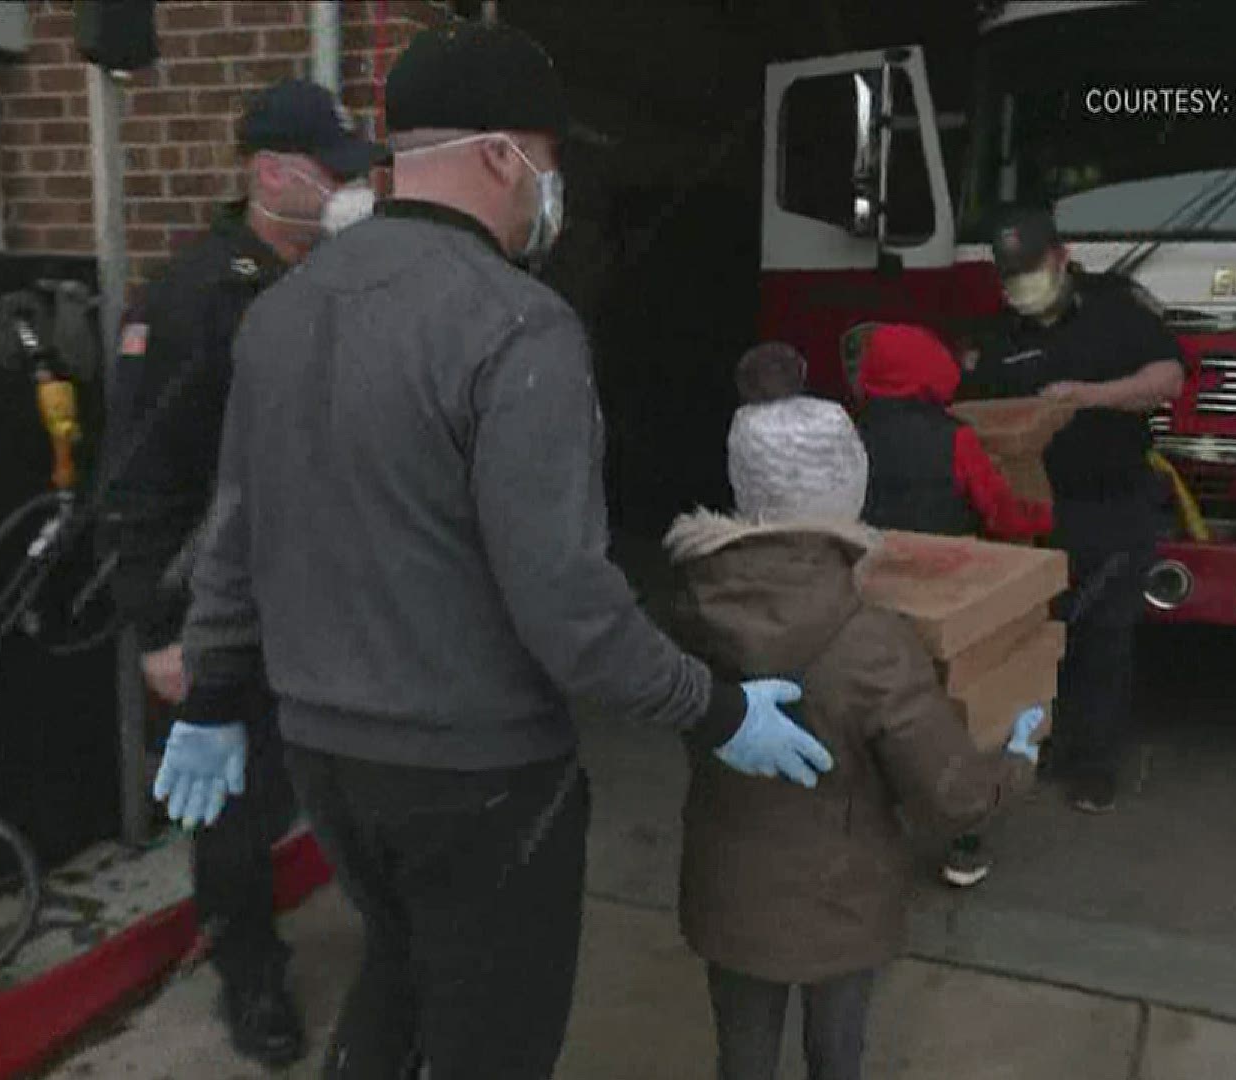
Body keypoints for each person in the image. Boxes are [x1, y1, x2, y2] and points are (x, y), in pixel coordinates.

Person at [157, 22, 833, 1080]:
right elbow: (566, 604)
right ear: (498, 155)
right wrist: (713, 709)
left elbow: (234, 531)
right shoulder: (519, 328)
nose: (547, 196)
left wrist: (211, 698)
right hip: (478, 778)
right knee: (493, 1041)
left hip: (326, 758)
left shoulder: (283, 311)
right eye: (549, 165)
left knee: (403, 967)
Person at [102, 78, 383, 1068]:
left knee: (348, 777)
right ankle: (250, 979)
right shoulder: (195, 299)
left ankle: (387, 937)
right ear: (270, 174)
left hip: (328, 596)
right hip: (225, 605)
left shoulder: (333, 278)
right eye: (326, 171)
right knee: (234, 806)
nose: (346, 190)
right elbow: (141, 478)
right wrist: (161, 630)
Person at [667, 389, 1048, 1080]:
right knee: (836, 1053)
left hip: (726, 886)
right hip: (840, 901)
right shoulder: (872, 641)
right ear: (850, 487)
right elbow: (951, 795)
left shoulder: (694, 608)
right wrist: (1015, 758)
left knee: (742, 1059)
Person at [964, 208, 1185, 815]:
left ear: (1061, 259)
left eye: (1030, 272)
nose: (1019, 287)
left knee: (1104, 638)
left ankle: (1095, 765)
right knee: (1034, 637)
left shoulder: (1116, 310)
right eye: (1009, 277)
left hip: (1114, 504)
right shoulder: (998, 336)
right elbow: (974, 413)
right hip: (1033, 511)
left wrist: (1085, 398)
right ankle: (1042, 745)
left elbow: (1167, 380)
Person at [851, 322, 1054, 888]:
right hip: (947, 603)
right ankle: (964, 842)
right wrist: (1042, 521)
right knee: (957, 719)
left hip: (869, 598)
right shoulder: (955, 439)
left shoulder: (848, 435)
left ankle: (870, 833)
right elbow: (999, 512)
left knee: (874, 719)